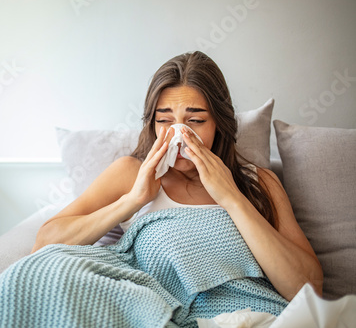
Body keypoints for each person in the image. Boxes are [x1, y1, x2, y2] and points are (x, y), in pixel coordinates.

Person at [31, 51, 323, 302]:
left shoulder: (259, 182)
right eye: (165, 121)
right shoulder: (130, 172)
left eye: (195, 121)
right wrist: (133, 200)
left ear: (219, 124)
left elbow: (309, 289)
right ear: (152, 124)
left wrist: (232, 198)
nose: (180, 136)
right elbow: (44, 246)